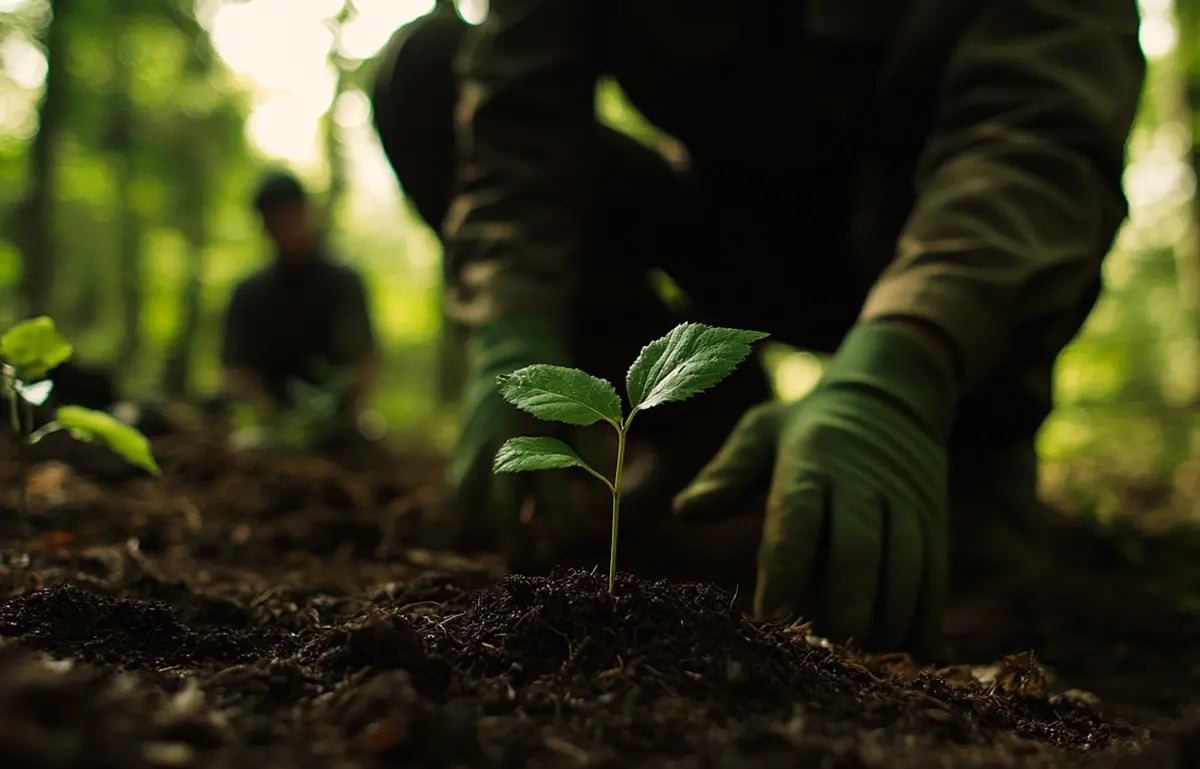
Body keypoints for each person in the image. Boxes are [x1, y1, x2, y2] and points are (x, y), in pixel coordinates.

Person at [372, 1, 1146, 656]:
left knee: (951, 576)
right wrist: (513, 326)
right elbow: (519, 114)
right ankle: (704, 424)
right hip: (735, 245)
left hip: (948, 246)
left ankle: (959, 457)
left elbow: (1042, 131)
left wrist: (909, 360)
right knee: (427, 72)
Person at [221, 171, 379, 440]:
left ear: (307, 213)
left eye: (289, 215)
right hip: (267, 423)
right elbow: (237, 369)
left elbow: (364, 360)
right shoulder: (249, 293)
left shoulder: (343, 283)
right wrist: (271, 415)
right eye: (274, 220)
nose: (284, 228)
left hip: (336, 420)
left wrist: (331, 410)